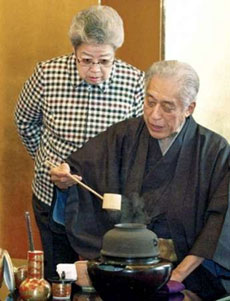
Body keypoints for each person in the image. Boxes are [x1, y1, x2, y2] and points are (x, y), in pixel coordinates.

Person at [50, 60, 230, 299]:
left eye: (167, 107)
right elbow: (80, 172)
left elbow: (218, 224)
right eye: (150, 102)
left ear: (189, 108)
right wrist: (65, 178)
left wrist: (177, 275)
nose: (155, 115)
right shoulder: (123, 135)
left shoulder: (214, 151)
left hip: (189, 277)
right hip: (125, 272)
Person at [14, 5, 145, 279]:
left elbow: (137, 144)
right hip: (54, 193)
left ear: (115, 53)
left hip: (103, 200)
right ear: (74, 51)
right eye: (86, 60)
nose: (95, 70)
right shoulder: (46, 75)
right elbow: (25, 123)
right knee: (57, 273)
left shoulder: (134, 82)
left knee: (102, 276)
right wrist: (48, 163)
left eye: (105, 61)